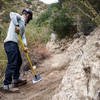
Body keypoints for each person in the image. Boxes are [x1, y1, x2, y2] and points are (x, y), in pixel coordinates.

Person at [3, 9, 33, 92]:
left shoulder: (23, 25)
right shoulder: (19, 18)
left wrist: (25, 46)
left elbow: (23, 37)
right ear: (27, 15)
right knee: (12, 63)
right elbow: (11, 13)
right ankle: (6, 85)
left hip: (14, 44)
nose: (28, 20)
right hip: (10, 43)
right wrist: (16, 25)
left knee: (19, 61)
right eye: (29, 17)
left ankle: (15, 80)